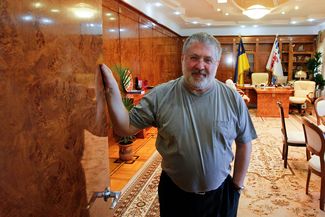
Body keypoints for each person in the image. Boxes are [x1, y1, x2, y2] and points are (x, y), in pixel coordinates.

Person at [99, 32, 257, 217]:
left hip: (220, 196)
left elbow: (245, 142)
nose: (200, 65)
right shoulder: (160, 95)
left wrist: (236, 187)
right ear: (183, 59)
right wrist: (111, 90)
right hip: (175, 195)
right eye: (194, 58)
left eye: (208, 59)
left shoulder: (232, 99)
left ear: (217, 63)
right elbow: (124, 127)